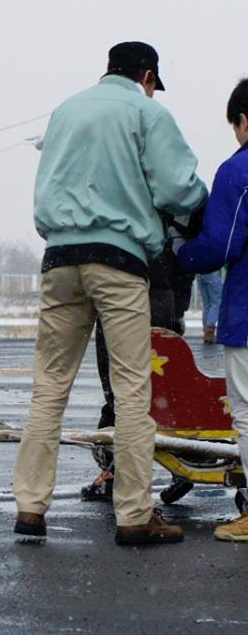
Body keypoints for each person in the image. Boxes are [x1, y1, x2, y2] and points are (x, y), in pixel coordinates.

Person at [12, 42, 207, 545]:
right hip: (119, 260)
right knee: (131, 391)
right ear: (147, 75)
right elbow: (179, 190)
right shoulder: (146, 111)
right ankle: (134, 515)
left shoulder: (65, 111)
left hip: (58, 259)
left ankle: (30, 508)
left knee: (49, 386)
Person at [175, 78, 248, 541]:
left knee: (246, 411)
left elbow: (221, 243)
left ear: (244, 121)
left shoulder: (238, 170)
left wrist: (180, 250)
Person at [81, 238, 198, 501]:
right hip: (160, 291)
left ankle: (113, 471)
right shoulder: (178, 211)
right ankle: (186, 463)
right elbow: (187, 259)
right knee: (164, 393)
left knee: (120, 392)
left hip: (125, 289)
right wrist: (178, 306)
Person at [197, 271, 223, 344]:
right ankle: (210, 329)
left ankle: (206, 330)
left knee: (207, 304)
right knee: (216, 302)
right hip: (213, 272)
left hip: (200, 273)